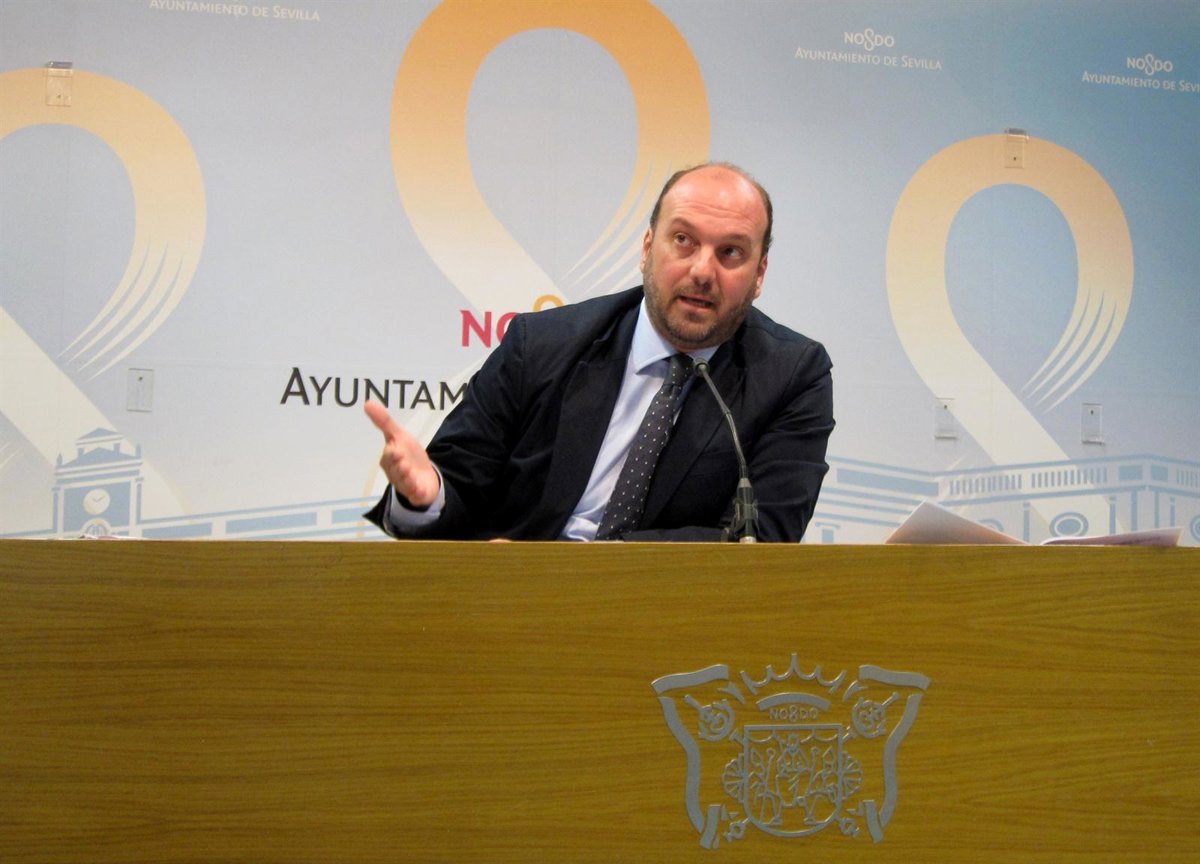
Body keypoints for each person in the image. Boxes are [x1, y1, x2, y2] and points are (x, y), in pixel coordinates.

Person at [364, 162, 834, 541]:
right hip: (511, 604)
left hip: (668, 615)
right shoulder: (540, 345)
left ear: (760, 273)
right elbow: (456, 486)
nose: (702, 272)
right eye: (683, 241)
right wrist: (427, 496)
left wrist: (584, 570)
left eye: (730, 252)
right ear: (647, 248)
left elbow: (761, 537)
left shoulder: (790, 374)